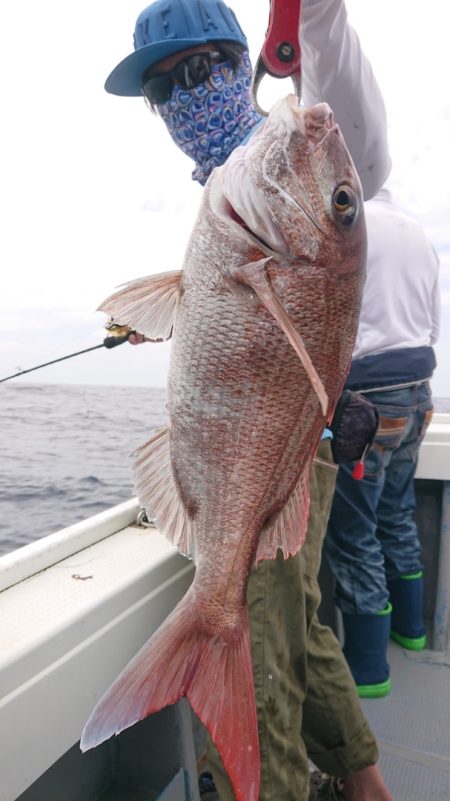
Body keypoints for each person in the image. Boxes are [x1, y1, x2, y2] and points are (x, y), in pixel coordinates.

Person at [104, 1, 394, 799]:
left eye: (199, 70)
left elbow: (350, 129)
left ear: (243, 63)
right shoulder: (233, 190)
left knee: (263, 662)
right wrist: (169, 313)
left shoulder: (295, 149)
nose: (184, 99)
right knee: (299, 625)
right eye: (163, 90)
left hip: (282, 447)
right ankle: (369, 786)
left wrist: (311, 20)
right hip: (282, 444)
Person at [325, 187, 440, 699]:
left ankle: (369, 668)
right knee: (397, 510)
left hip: (367, 398)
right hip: (419, 392)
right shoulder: (417, 232)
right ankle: (410, 631)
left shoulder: (349, 223)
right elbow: (433, 324)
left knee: (355, 531)